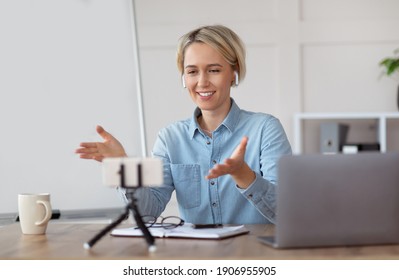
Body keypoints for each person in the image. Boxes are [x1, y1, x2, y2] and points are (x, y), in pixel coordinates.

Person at [75, 25, 291, 224]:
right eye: (192, 71)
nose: (202, 82)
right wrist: (123, 167)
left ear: (233, 73)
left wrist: (244, 175)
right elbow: (148, 213)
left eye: (214, 70)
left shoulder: (265, 129)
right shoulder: (169, 138)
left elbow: (288, 212)